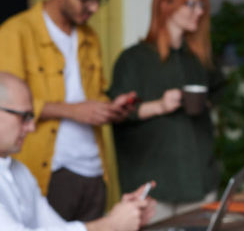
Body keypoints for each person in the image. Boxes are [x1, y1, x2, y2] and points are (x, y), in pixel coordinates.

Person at [0, 0, 137, 221]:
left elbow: (92, 95)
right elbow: (8, 103)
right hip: (50, 169)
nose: (94, 8)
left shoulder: (90, 37)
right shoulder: (15, 33)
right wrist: (72, 111)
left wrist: (110, 109)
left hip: (94, 169)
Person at [108, 0, 222, 223]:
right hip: (154, 186)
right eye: (191, 4)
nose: (199, 11)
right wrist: (160, 105)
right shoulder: (133, 59)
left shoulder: (198, 60)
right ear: (165, 5)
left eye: (201, 5)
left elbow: (217, 93)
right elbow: (116, 112)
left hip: (200, 179)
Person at [0, 71, 156, 231]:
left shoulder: (20, 172)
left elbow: (57, 227)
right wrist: (109, 226)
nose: (31, 127)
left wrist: (124, 218)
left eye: (31, 117)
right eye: (24, 116)